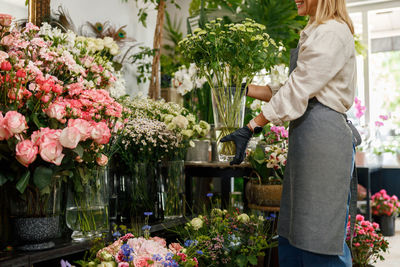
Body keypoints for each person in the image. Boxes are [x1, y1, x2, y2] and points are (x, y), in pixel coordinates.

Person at [221, 0, 357, 266]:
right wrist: (244, 88)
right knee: (296, 228)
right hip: (307, 136)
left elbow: (299, 89)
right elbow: (293, 85)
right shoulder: (315, 30)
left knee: (319, 235)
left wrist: (252, 125)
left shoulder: (332, 32)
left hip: (324, 139)